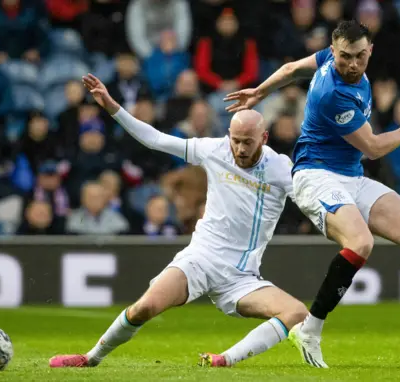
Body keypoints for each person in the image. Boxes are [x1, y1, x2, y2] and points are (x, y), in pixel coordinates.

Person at [225, 20, 400, 368]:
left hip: (350, 176)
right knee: (360, 243)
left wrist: (260, 91)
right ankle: (309, 329)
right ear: (334, 52)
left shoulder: (331, 63)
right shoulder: (333, 92)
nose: (353, 64)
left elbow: (289, 70)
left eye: (359, 56)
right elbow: (373, 147)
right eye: (345, 57)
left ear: (369, 51)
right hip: (315, 175)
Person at [49, 74, 308, 368]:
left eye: (248, 142)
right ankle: (90, 357)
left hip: (241, 276)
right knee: (143, 308)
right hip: (199, 259)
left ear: (264, 137)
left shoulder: (281, 169)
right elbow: (155, 139)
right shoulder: (215, 150)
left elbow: (311, 201)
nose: (240, 149)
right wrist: (112, 107)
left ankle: (225, 360)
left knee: (296, 312)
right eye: (235, 141)